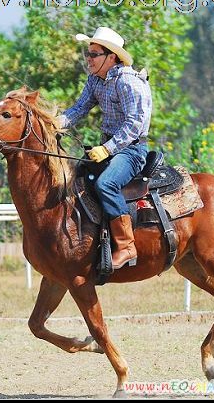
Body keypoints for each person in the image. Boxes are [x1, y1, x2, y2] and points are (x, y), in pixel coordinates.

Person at [57, 26, 152, 270]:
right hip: (108, 148)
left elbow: (135, 124)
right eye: (87, 54)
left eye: (94, 54)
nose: (88, 59)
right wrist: (53, 124)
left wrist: (108, 149)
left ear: (112, 57)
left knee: (106, 184)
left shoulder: (129, 82)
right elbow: (78, 109)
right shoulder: (94, 80)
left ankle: (126, 246)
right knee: (74, 180)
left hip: (131, 150)